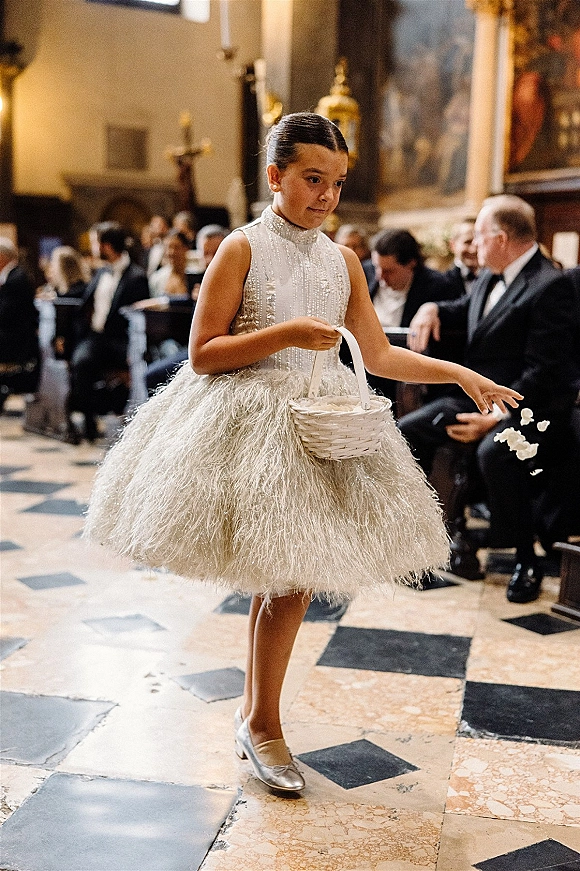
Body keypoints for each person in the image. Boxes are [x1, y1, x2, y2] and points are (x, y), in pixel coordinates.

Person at [83, 113, 520, 795]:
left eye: (337, 183)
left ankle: (256, 717)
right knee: (285, 581)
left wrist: (459, 372)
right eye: (313, 179)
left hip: (322, 420)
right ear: (276, 175)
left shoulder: (343, 259)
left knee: (290, 579)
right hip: (252, 421)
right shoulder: (241, 248)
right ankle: (261, 724)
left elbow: (375, 354)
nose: (325, 196)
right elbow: (203, 354)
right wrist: (283, 330)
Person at [399, 194, 576, 604]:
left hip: (533, 409)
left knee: (494, 454)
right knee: (406, 431)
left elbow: (545, 372)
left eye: (479, 237)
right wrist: (431, 307)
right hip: (478, 397)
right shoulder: (488, 276)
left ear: (499, 237)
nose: (474, 246)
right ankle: (428, 536)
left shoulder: (552, 285)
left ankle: (525, 558)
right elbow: (461, 309)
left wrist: (496, 417)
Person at [68, 223, 149, 441]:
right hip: (96, 338)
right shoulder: (101, 271)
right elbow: (86, 303)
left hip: (120, 341)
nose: (92, 248)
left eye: (95, 243)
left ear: (106, 246)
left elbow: (138, 318)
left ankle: (103, 414)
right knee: (79, 360)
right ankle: (87, 421)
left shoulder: (136, 276)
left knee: (84, 363)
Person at [0, 238, 40, 410]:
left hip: (16, 338)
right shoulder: (11, 276)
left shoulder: (16, 278)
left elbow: (6, 314)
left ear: (2, 257)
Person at [442, 219, 479, 298]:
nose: (474, 249)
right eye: (467, 242)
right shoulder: (443, 282)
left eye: (478, 241)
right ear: (453, 245)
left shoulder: (496, 275)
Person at [334, 223, 374, 288]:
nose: (350, 251)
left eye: (355, 246)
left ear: (364, 249)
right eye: (346, 246)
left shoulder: (372, 274)